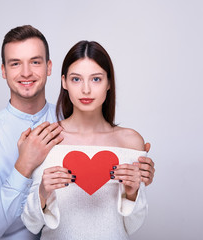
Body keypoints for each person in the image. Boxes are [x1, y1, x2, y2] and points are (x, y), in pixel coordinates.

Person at [0, 25, 155, 240]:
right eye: (15, 63)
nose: (26, 72)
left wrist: (136, 187)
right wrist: (25, 167)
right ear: (65, 81)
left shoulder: (123, 138)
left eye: (35, 61)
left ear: (49, 68)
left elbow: (131, 221)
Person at [21, 40, 150, 239]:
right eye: (76, 79)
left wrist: (132, 193)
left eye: (96, 79)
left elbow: (132, 225)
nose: (86, 90)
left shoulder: (130, 142)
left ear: (109, 83)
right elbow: (32, 225)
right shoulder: (46, 139)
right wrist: (42, 193)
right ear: (64, 82)